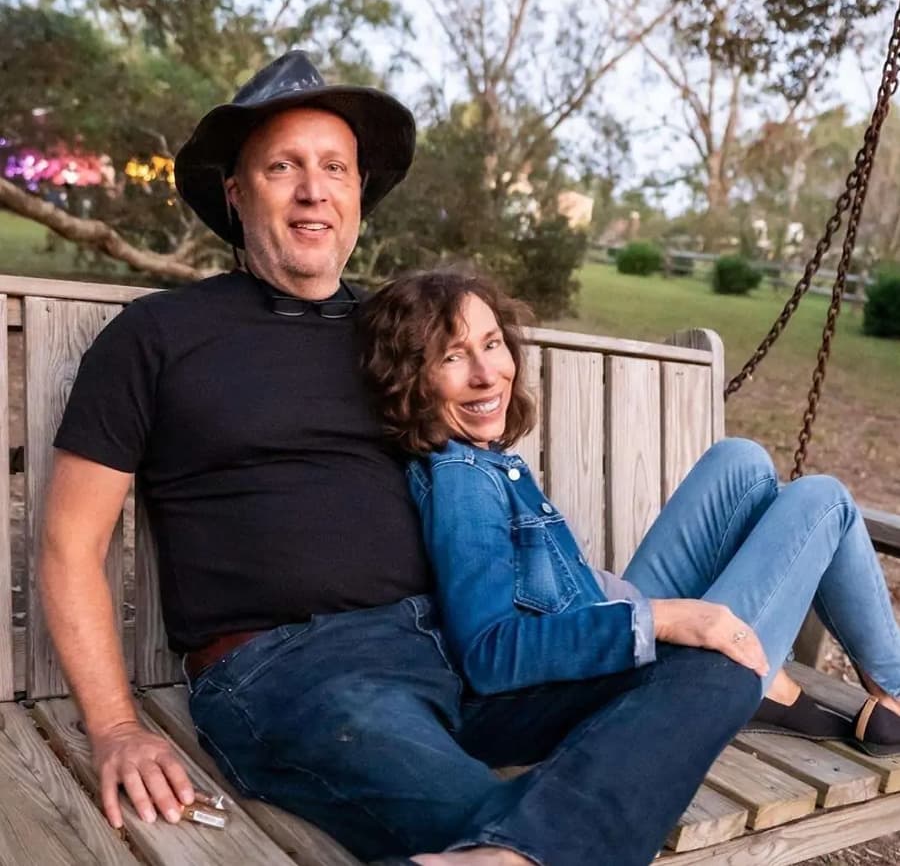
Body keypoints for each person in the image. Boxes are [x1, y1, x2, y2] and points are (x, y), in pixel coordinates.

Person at [40, 50, 762, 866]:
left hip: (463, 647)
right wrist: (116, 728)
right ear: (237, 194)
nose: (314, 189)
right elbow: (71, 544)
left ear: (357, 196)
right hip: (299, 674)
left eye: (335, 168)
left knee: (714, 663)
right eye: (284, 167)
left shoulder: (402, 336)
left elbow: (485, 436)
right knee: (488, 822)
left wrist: (631, 614)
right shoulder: (158, 337)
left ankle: (521, 846)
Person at [359, 269, 900, 759]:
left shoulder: (479, 460)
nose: (486, 374)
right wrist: (663, 618)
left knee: (740, 460)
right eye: (452, 357)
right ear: (410, 381)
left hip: (606, 635)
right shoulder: (464, 484)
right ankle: (893, 692)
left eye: (492, 343)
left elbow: (548, 591)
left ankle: (785, 681)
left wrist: (640, 605)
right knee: (822, 500)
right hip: (637, 694)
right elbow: (491, 654)